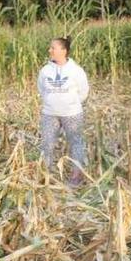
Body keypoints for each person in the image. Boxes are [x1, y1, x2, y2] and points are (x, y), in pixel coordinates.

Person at [37, 36, 90, 186]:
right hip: (49, 114)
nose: (50, 50)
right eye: (50, 47)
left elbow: (83, 92)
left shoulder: (76, 70)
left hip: (72, 114)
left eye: (53, 48)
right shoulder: (45, 71)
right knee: (47, 143)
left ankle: (76, 175)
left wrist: (70, 104)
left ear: (64, 51)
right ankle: (46, 173)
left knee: (76, 142)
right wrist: (52, 102)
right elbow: (41, 89)